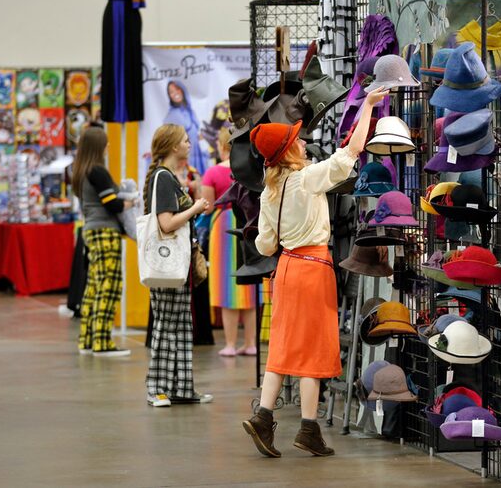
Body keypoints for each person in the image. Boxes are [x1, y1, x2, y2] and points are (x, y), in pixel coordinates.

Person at [242, 87, 389, 458]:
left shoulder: (270, 191)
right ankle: (307, 427)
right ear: (289, 150)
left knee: (283, 344)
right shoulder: (308, 179)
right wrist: (368, 107)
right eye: (297, 140)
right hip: (313, 268)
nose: (303, 143)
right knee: (311, 348)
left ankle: (265, 416)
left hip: (286, 269)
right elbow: (350, 153)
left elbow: (263, 245)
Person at [143, 124, 212, 407]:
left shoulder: (168, 177)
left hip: (175, 264)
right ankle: (157, 388)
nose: (189, 144)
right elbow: (166, 222)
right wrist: (195, 208)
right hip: (166, 263)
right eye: (185, 140)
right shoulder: (163, 178)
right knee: (167, 325)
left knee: (181, 325)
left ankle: (181, 387)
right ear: (173, 146)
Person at [71, 126, 133, 357]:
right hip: (105, 231)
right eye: (106, 143)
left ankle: (88, 339)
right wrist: (130, 202)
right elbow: (112, 204)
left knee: (94, 286)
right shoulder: (98, 171)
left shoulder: (80, 172)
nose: (109, 146)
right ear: (99, 147)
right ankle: (103, 342)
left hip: (90, 230)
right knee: (110, 285)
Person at [201, 128, 258, 357]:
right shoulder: (249, 168)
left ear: (222, 146)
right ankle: (251, 343)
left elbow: (207, 204)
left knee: (226, 287)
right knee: (251, 284)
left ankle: (230, 344)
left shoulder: (213, 172)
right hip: (249, 223)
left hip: (223, 224)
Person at [163, 80, 208, 174]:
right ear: (169, 96)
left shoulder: (189, 111)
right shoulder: (172, 115)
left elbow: (192, 134)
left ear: (182, 90)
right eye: (171, 92)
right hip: (184, 157)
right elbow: (167, 138)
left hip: (196, 153)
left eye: (177, 89)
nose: (175, 93)